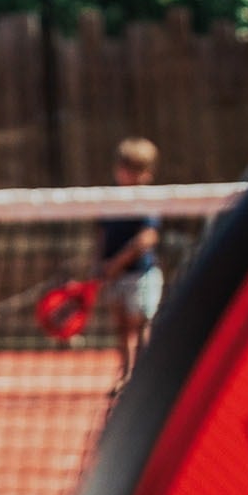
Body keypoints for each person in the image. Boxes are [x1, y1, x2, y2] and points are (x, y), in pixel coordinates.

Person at [95, 138, 166, 385]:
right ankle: (125, 375)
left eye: (135, 169)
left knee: (141, 324)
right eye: (124, 168)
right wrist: (102, 266)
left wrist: (118, 262)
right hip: (115, 277)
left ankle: (143, 376)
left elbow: (148, 237)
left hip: (141, 274)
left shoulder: (146, 200)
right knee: (122, 327)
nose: (128, 174)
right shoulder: (109, 199)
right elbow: (103, 234)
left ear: (146, 174)